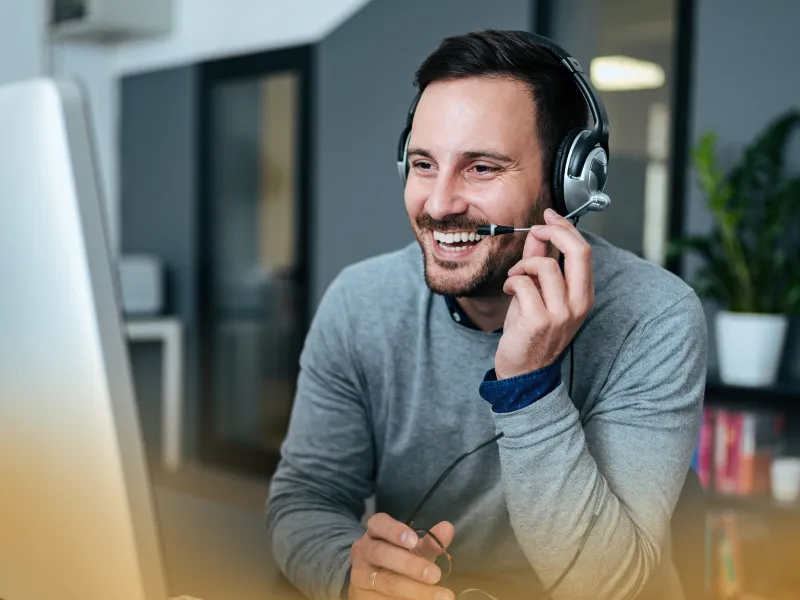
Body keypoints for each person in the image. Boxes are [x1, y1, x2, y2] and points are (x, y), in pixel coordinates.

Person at [266, 29, 706, 600]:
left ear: (569, 185)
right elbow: (305, 499)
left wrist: (526, 386)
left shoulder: (655, 318)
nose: (440, 202)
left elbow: (610, 586)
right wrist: (353, 576)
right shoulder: (360, 303)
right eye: (424, 164)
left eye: (481, 168)